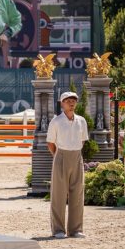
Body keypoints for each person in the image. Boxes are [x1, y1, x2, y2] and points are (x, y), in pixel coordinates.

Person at [46, 91, 88, 239]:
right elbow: (50, 143)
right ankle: (58, 230)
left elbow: (83, 140)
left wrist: (74, 151)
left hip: (77, 156)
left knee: (77, 194)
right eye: (68, 100)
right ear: (62, 103)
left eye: (73, 100)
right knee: (59, 194)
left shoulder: (81, 121)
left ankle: (76, 229)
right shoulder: (56, 121)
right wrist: (59, 156)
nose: (71, 103)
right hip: (61, 155)